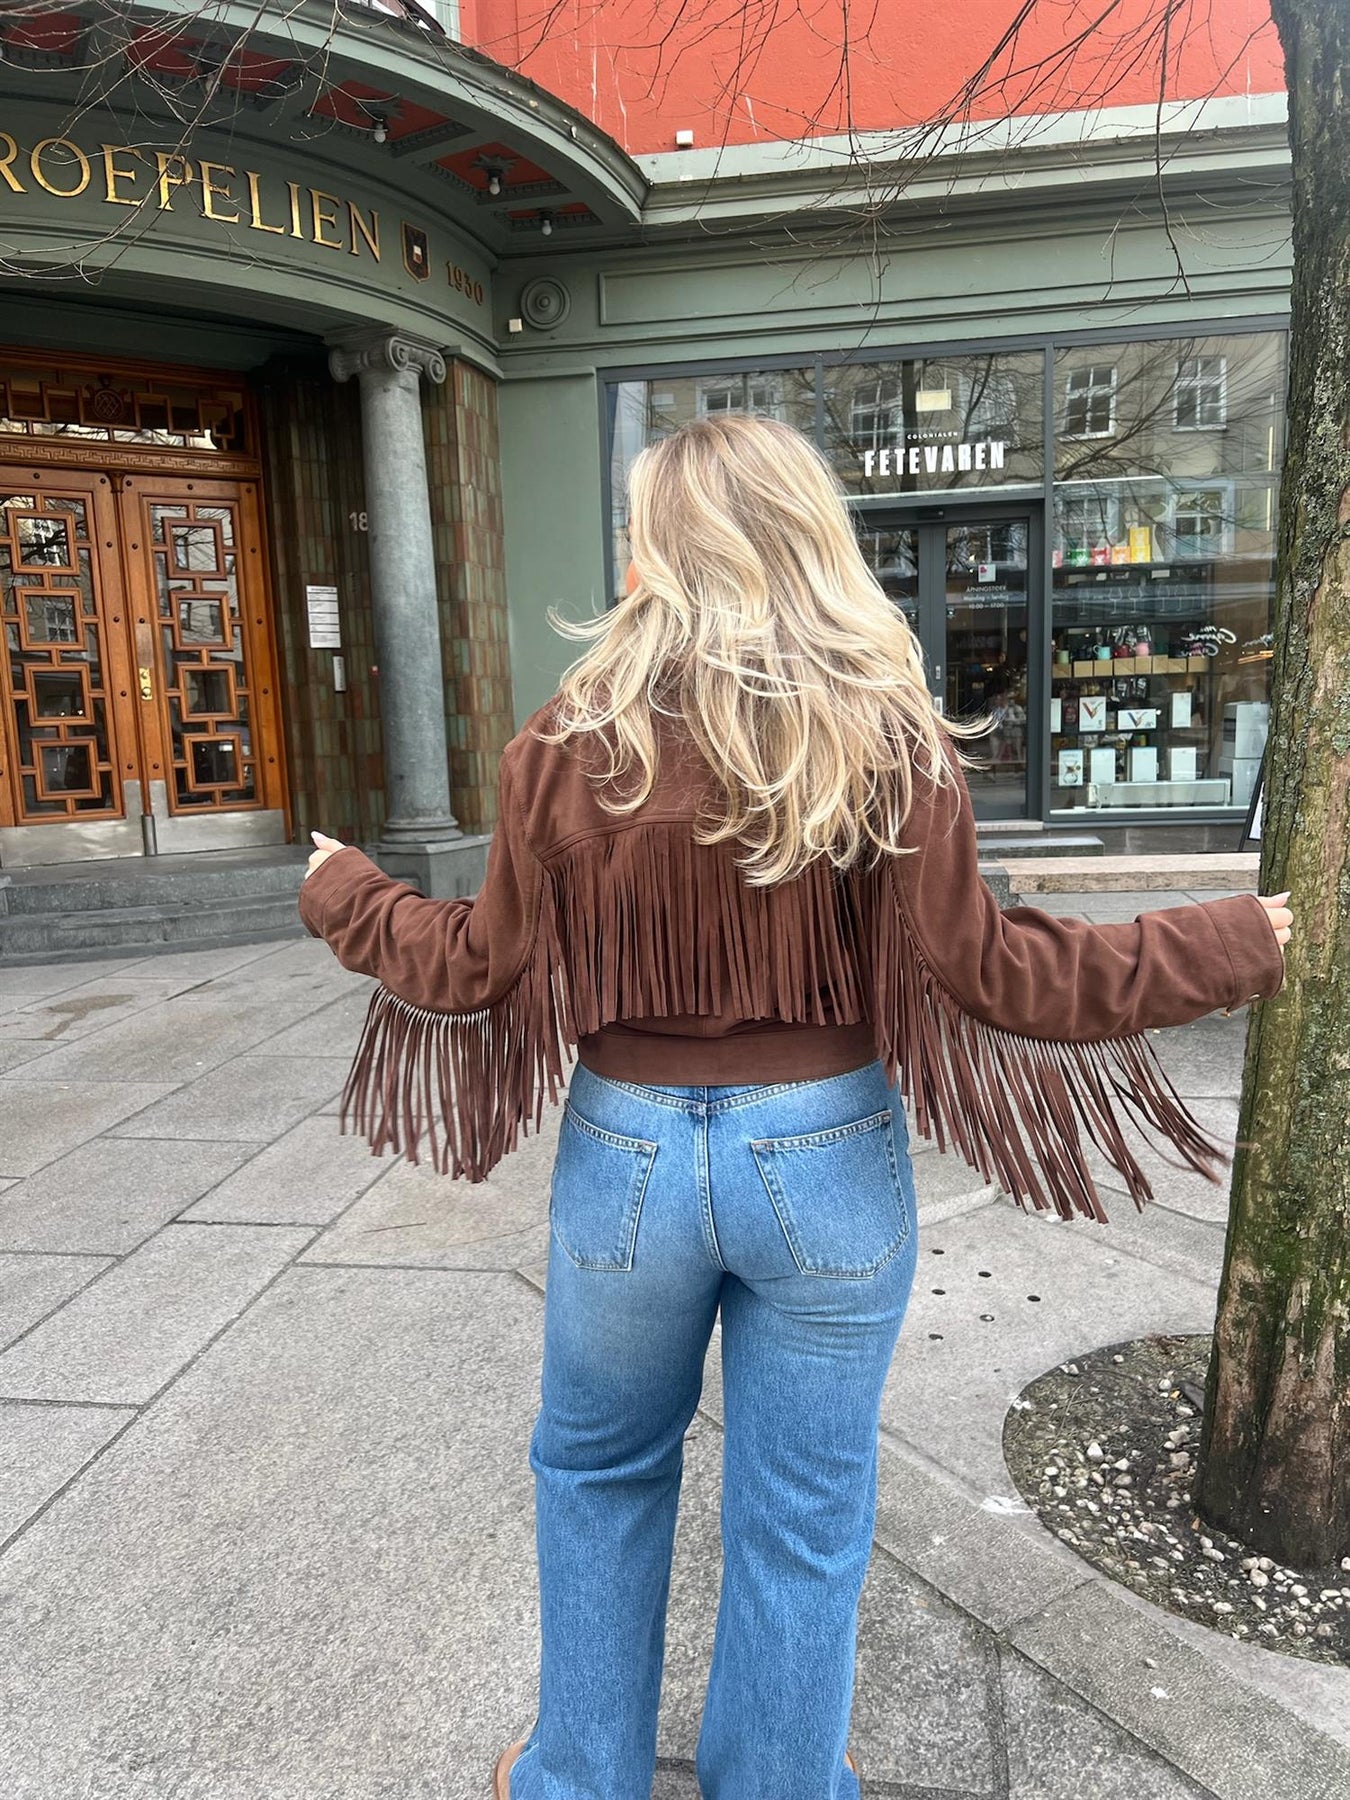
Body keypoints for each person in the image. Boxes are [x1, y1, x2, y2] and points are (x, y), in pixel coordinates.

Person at [298, 414, 1293, 1800]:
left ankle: (578, 1778)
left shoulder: (568, 742)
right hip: (824, 1155)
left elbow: (473, 967)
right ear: (807, 539)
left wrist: (345, 889)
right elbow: (996, 973)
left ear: (661, 550)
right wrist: (1231, 938)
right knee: (805, 1511)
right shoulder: (882, 732)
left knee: (596, 1474)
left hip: (628, 1153)